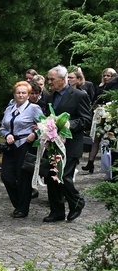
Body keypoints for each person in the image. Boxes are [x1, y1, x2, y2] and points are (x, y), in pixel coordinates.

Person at [42, 65, 92, 222]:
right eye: (48, 79)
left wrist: (69, 124)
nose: (48, 82)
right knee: (51, 177)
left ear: (62, 80)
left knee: (63, 176)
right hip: (53, 144)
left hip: (70, 145)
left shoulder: (78, 95)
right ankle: (57, 212)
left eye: (52, 79)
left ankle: (77, 202)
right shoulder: (51, 97)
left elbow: (86, 120)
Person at [0, 82, 43, 218]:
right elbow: (2, 127)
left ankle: (23, 208)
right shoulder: (9, 109)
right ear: (14, 94)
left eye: (24, 93)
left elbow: (45, 126)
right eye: (18, 92)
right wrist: (7, 135)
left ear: (29, 95)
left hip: (25, 145)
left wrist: (34, 135)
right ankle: (19, 203)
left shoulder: (34, 108)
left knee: (23, 177)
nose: (21, 95)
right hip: (10, 146)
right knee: (6, 176)